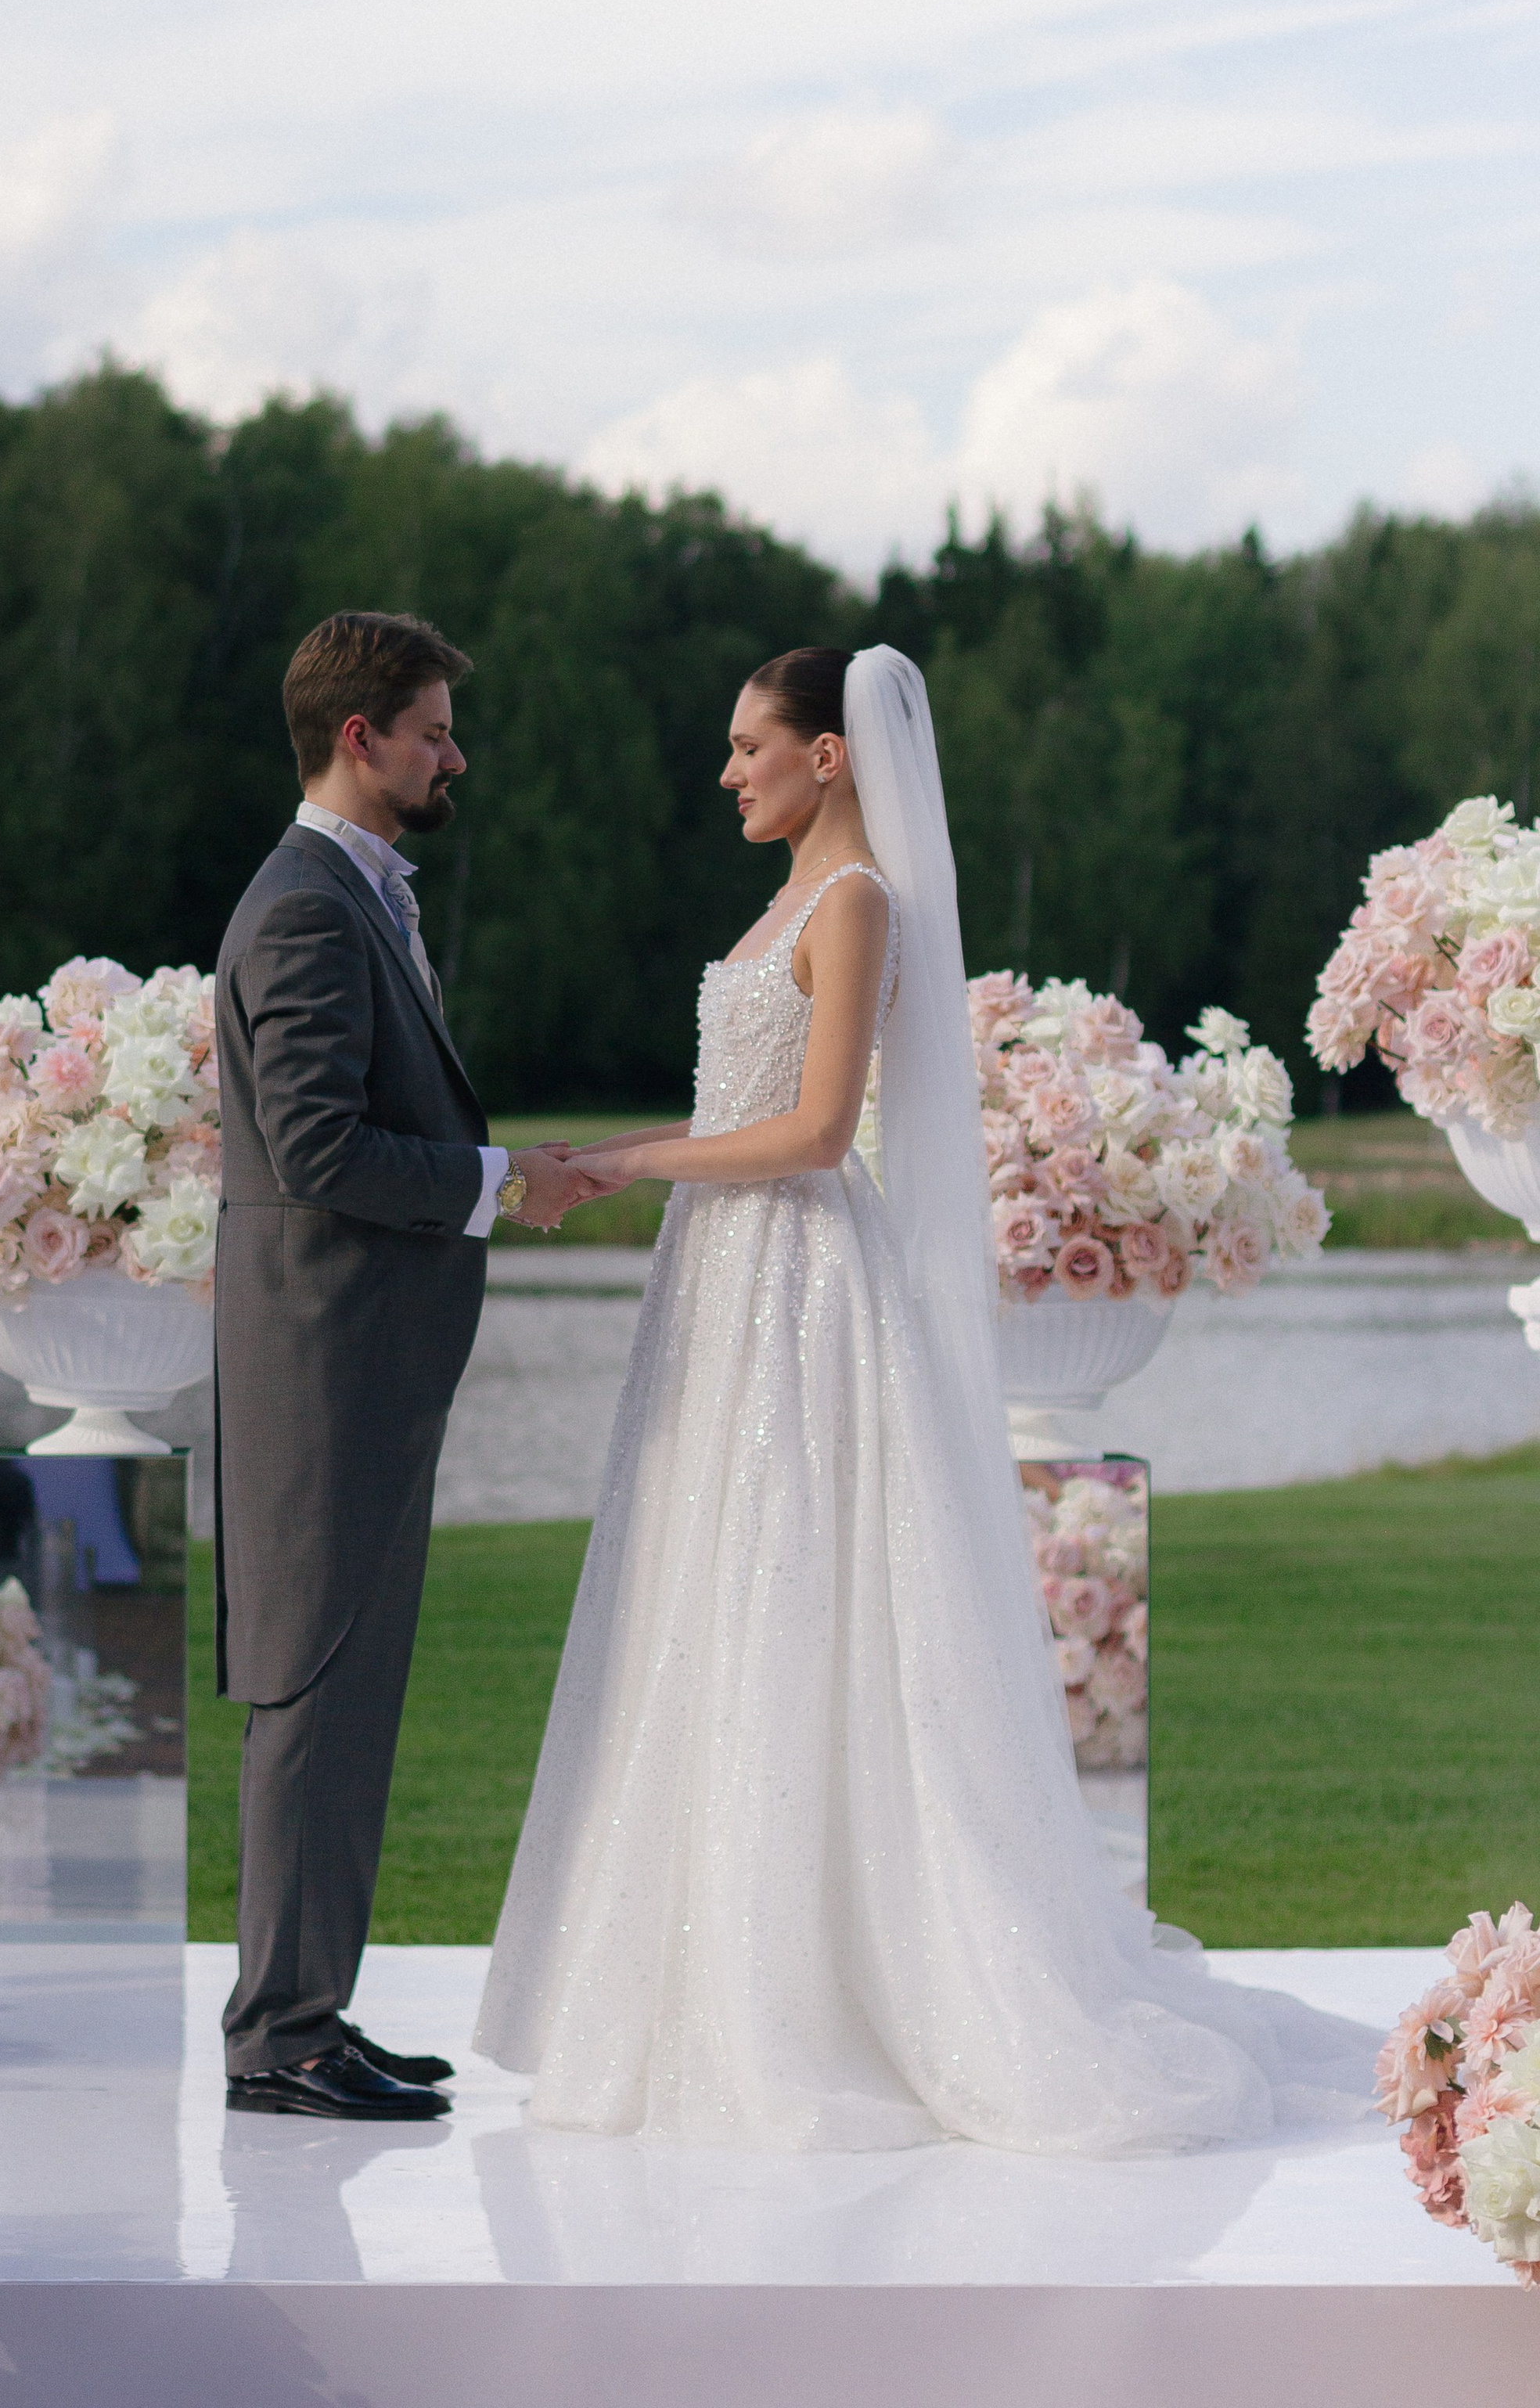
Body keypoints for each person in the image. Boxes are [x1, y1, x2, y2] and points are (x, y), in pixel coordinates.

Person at [475, 643, 1374, 2153]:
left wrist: (621, 1168)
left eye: (750, 746)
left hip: (800, 1275)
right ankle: (700, 1973)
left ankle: (819, 1987)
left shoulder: (857, 903)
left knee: (793, 1583)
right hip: (722, 1275)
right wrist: (595, 1164)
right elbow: (732, 1110)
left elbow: (818, 1134)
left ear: (828, 754)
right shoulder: (782, 902)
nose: (728, 772)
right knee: (707, 1587)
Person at [214, 609, 600, 2121]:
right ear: (359, 737)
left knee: (349, 1691)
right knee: (314, 1688)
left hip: (359, 1358)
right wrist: (503, 1183)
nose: (457, 757)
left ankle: (309, 2012)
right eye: (435, 732)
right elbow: (318, 1149)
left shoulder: (352, 891)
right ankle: (279, 2040)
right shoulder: (306, 907)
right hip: (326, 1360)